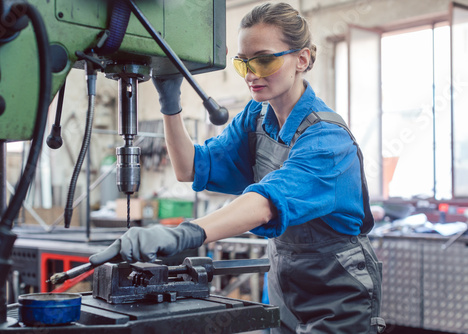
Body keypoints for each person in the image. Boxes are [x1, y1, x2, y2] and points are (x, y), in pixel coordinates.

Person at [90, 2, 385, 333]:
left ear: (301, 59)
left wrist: (183, 234)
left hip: (339, 294)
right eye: (243, 63)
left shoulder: (328, 139)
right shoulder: (256, 118)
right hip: (283, 286)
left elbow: (265, 203)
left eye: (263, 60)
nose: (251, 75)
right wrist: (170, 106)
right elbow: (190, 167)